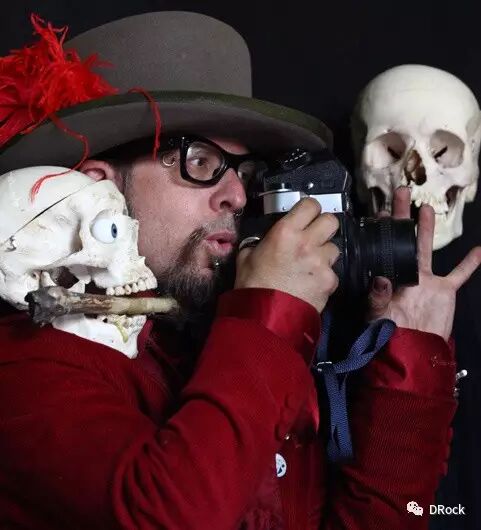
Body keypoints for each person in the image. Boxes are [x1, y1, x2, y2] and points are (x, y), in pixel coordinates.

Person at [0, 11, 479, 530]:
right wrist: (272, 309)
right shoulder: (23, 365)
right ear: (100, 186)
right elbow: (171, 515)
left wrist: (408, 361)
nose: (236, 195)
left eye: (244, 173)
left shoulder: (222, 343)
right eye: (200, 162)